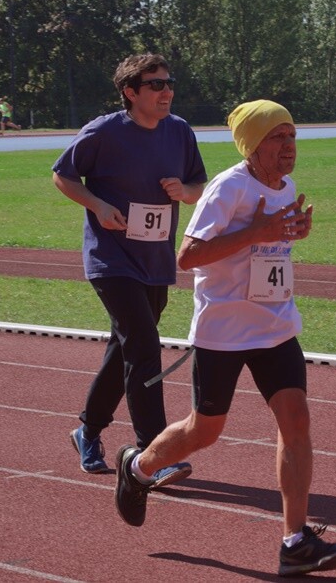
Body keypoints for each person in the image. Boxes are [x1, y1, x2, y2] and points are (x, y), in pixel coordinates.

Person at [112, 100, 336, 577]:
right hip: (224, 328)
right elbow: (188, 256)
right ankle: (137, 468)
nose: (289, 147)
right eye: (278, 137)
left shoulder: (285, 186)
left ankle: (295, 542)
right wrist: (257, 231)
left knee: (296, 419)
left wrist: (290, 233)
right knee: (205, 431)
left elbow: (270, 244)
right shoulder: (227, 188)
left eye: (292, 136)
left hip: (275, 323)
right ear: (252, 143)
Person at [51, 53, 207, 487]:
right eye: (156, 85)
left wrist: (186, 191)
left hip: (155, 261)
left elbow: (198, 185)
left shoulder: (178, 131)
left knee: (124, 351)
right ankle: (154, 453)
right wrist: (99, 205)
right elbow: (63, 175)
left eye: (169, 83)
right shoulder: (104, 132)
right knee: (143, 346)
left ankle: (89, 430)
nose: (166, 91)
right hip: (111, 259)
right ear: (131, 92)